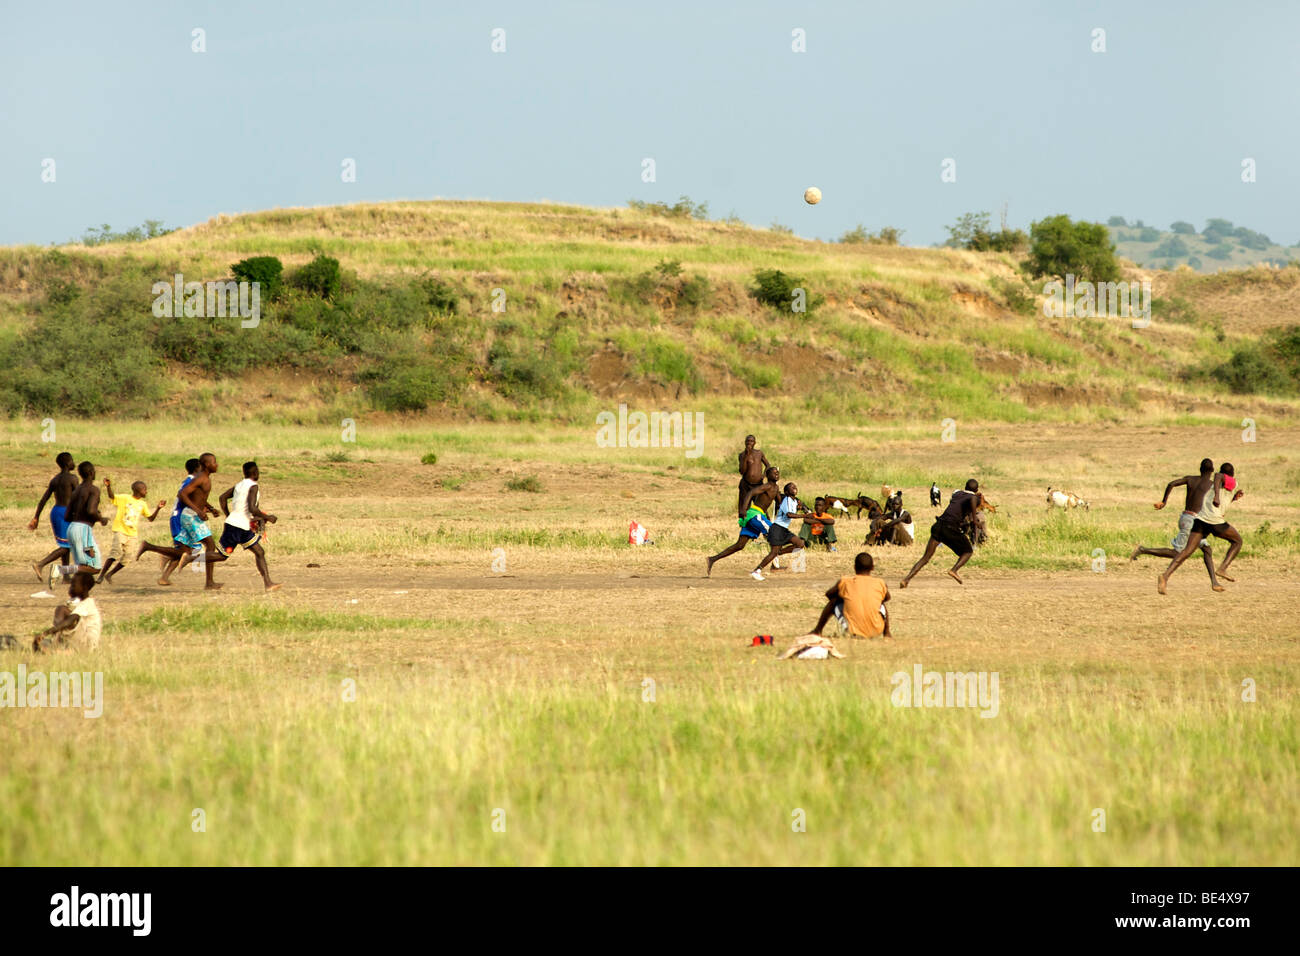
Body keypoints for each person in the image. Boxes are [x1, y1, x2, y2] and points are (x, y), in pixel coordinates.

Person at [136, 452, 228, 589]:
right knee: (210, 545)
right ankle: (209, 582)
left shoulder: (203, 478)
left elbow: (199, 497)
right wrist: (198, 511)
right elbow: (182, 494)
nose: (217, 465)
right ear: (207, 465)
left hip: (191, 515)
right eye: (214, 462)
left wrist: (210, 508)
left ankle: (150, 548)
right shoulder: (199, 478)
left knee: (185, 551)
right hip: (190, 516)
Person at [1129, 458, 1220, 586]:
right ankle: (1143, 550)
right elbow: (1217, 502)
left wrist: (1164, 501)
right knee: (1177, 553)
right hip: (1193, 522)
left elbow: (1171, 483)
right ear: (1212, 470)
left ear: (1200, 469)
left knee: (1206, 549)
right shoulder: (1211, 485)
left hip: (1190, 519)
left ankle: (1214, 582)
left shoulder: (1191, 479)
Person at [1158, 463, 1244, 594]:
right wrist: (1216, 495)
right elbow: (1218, 476)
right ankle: (1222, 568)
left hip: (1200, 520)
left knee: (1187, 551)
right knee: (1238, 541)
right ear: (1231, 475)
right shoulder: (1228, 481)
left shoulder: (1217, 487)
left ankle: (1165, 576)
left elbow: (1220, 499)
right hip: (1214, 521)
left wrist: (1233, 498)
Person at [900, 478, 980, 587]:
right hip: (950, 528)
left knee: (926, 557)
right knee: (968, 551)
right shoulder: (974, 498)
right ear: (977, 490)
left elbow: (957, 506)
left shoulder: (957, 493)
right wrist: (975, 521)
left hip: (939, 525)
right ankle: (954, 570)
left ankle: (906, 580)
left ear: (965, 487)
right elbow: (972, 500)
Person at [218, 461, 281, 591]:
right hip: (238, 527)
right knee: (221, 556)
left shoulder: (239, 485)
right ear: (255, 472)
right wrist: (268, 517)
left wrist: (229, 515)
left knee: (259, 552)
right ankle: (191, 557)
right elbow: (252, 508)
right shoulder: (253, 486)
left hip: (237, 525)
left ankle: (268, 583)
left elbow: (222, 498)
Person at [706, 465, 780, 577]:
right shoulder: (767, 486)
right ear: (767, 475)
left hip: (757, 515)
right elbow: (750, 493)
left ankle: (712, 559)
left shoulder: (776, 488)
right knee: (774, 533)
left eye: (777, 472)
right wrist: (743, 510)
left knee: (739, 545)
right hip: (754, 515)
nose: (776, 474)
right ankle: (762, 567)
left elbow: (779, 499)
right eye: (773, 472)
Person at [802, 552, 891, 640]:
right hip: (876, 631)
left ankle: (818, 630)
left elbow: (829, 594)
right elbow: (887, 597)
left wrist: (844, 595)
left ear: (854, 567)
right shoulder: (880, 583)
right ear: (872, 568)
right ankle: (887, 634)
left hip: (852, 631)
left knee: (834, 601)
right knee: (881, 603)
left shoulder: (846, 582)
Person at [97, 478, 166, 584]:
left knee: (127, 558)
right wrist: (108, 486)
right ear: (138, 490)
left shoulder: (143, 504)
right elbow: (112, 496)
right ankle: (101, 575)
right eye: (145, 489)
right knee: (115, 553)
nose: (146, 491)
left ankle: (109, 574)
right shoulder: (125, 498)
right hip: (120, 530)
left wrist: (158, 508)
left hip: (132, 534)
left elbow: (151, 519)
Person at [29, 451, 78, 583]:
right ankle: (40, 564)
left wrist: (36, 517)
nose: (74, 462)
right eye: (72, 460)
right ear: (68, 463)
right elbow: (79, 496)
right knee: (66, 546)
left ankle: (66, 576)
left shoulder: (55, 480)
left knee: (65, 544)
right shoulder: (73, 479)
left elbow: (43, 500)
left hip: (56, 512)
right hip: (66, 513)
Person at [750, 482, 810, 581]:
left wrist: (805, 510)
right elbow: (789, 515)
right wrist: (804, 515)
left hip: (784, 529)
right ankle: (757, 571)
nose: (794, 487)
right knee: (773, 553)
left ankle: (780, 552)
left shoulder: (794, 501)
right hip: (777, 529)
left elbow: (801, 507)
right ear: (786, 492)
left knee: (800, 543)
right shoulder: (786, 500)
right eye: (791, 487)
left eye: (795, 486)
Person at [34, 570, 102, 652]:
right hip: (84, 645)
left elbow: (69, 621)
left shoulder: (87, 604)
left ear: (84, 587)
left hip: (85, 646)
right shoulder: (85, 604)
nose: (71, 587)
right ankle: (56, 644)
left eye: (73, 585)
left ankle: (56, 643)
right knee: (39, 644)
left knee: (61, 609)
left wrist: (45, 633)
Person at [64, 461, 109, 573]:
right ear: (91, 472)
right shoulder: (94, 490)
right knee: (94, 567)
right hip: (83, 531)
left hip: (72, 529)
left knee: (84, 565)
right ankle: (61, 570)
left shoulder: (76, 490)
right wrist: (101, 518)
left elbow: (67, 516)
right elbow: (91, 511)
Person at [737, 435, 773, 516]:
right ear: (745, 443)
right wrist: (746, 456)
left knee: (761, 506)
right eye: (748, 441)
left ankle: (765, 524)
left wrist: (763, 476)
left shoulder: (759, 453)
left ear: (755, 443)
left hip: (758, 484)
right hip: (746, 484)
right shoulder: (742, 455)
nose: (749, 443)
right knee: (744, 507)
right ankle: (744, 524)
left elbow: (767, 465)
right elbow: (742, 471)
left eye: (751, 441)